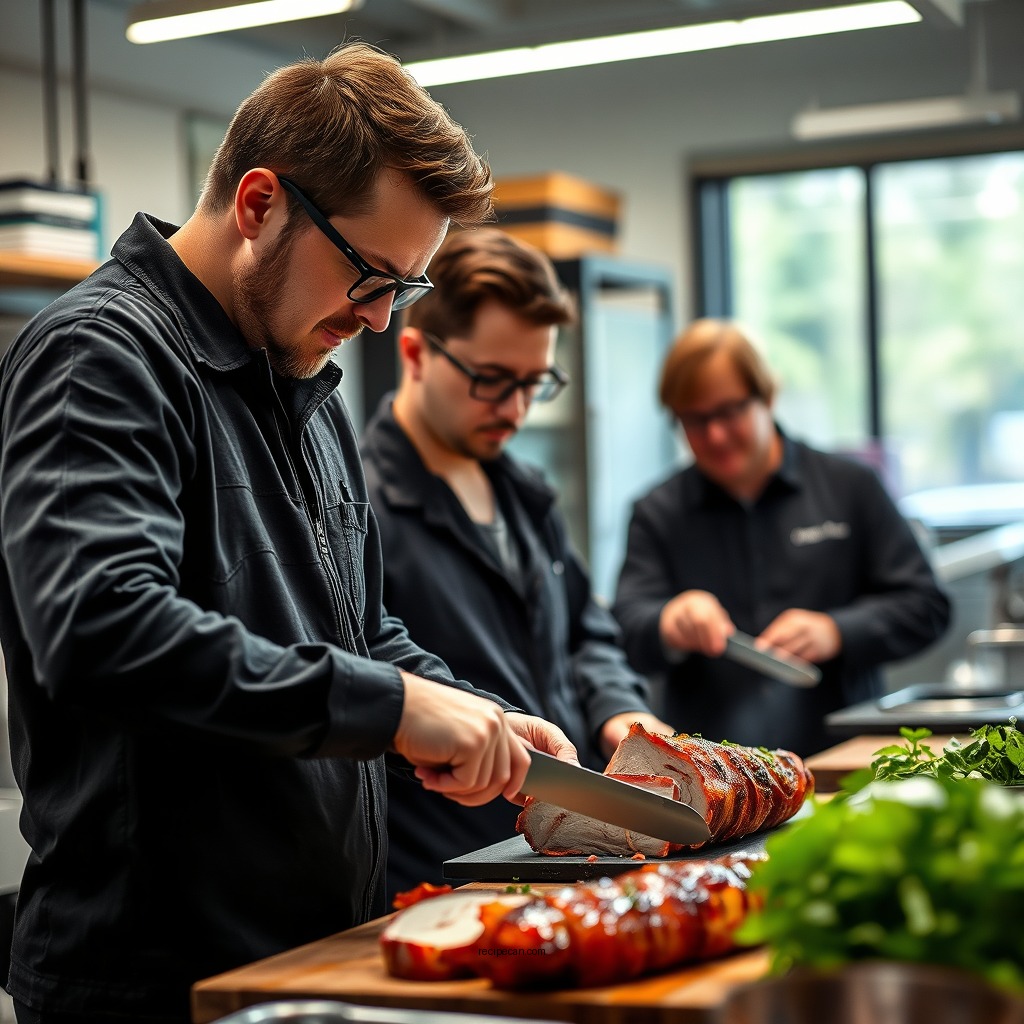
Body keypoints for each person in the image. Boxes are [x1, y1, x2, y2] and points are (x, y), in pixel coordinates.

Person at [0, 44, 578, 1024]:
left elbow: (356, 633)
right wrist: (392, 707)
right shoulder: (98, 355)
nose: (377, 315)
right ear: (260, 203)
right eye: (367, 273)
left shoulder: (306, 380)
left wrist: (468, 709)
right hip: (154, 983)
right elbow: (104, 630)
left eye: (405, 288)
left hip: (311, 957)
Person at [359, 228, 676, 897]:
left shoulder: (526, 493)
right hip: (444, 881)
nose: (516, 409)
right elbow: (366, 687)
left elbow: (586, 634)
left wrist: (620, 715)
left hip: (564, 858)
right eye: (492, 381)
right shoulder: (354, 504)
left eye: (536, 383)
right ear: (414, 352)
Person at [611, 318, 951, 756]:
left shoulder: (850, 487)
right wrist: (670, 622)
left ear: (767, 396)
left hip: (839, 761)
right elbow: (620, 632)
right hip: (716, 786)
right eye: (694, 420)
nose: (714, 434)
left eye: (728, 412)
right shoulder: (657, 512)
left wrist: (837, 631)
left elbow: (926, 605)